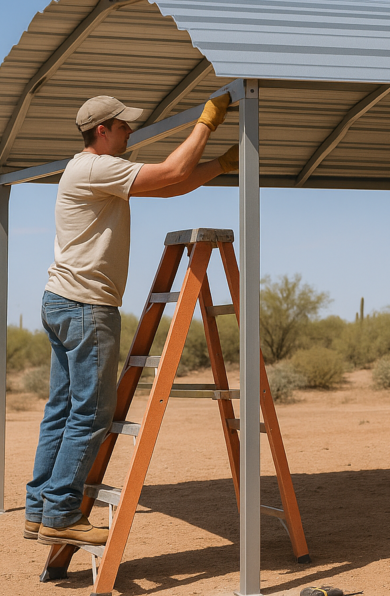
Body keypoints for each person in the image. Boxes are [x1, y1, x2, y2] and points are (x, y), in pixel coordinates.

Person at [24, 93, 239, 547]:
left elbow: (169, 186)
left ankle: (40, 507)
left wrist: (218, 165)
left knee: (62, 410)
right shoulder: (96, 167)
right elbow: (172, 173)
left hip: (62, 300)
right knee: (92, 413)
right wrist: (206, 124)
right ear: (101, 131)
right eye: (123, 128)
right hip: (87, 306)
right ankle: (61, 512)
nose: (130, 134)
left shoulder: (88, 170)